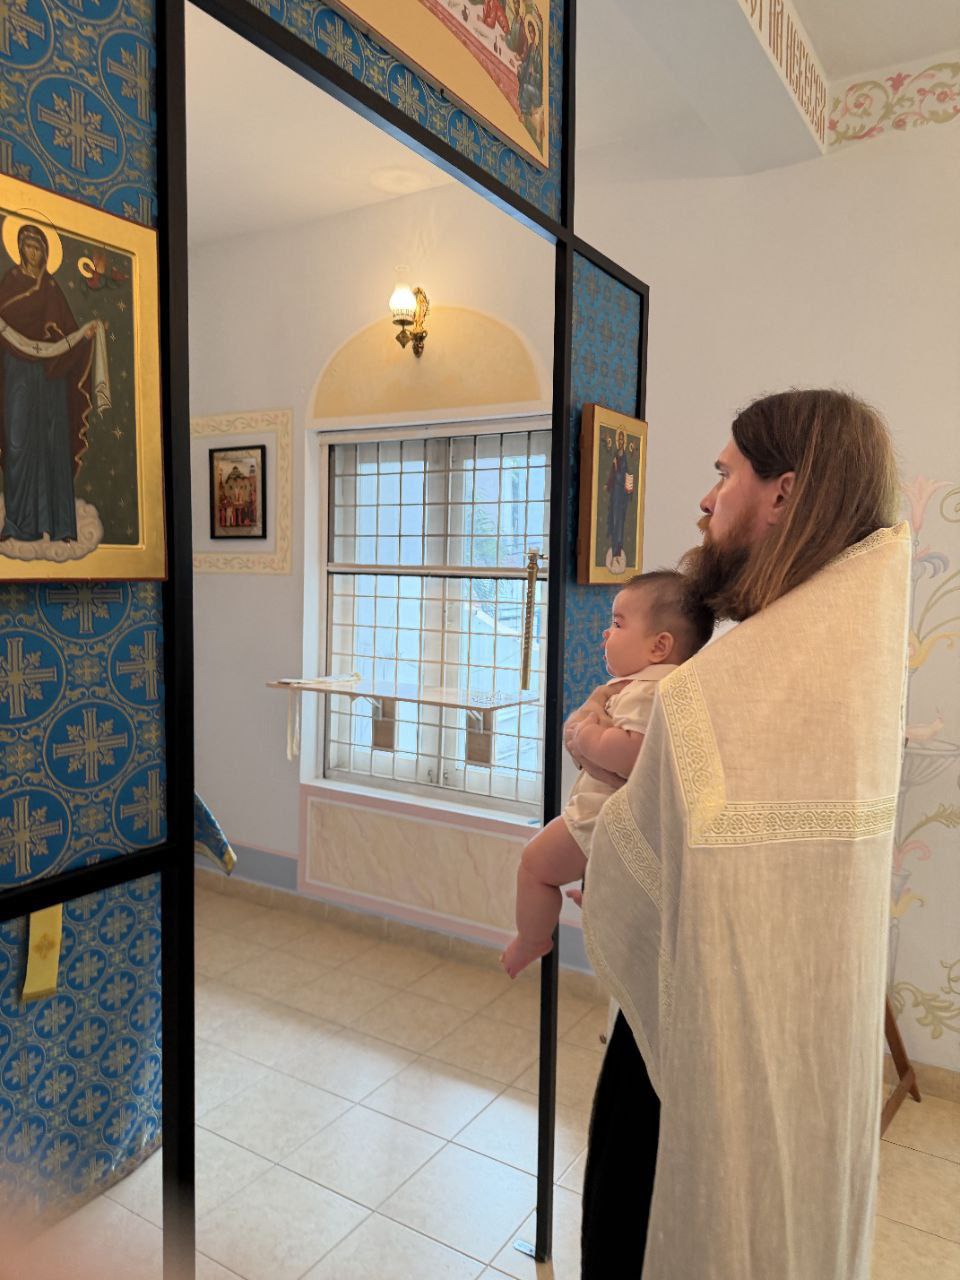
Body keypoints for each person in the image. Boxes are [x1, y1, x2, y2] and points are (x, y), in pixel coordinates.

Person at [579, 389, 911, 1280]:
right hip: (807, 1036)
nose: (706, 497)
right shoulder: (853, 662)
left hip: (696, 1038)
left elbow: (633, 857)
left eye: (724, 473)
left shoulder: (724, 687)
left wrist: (594, 860)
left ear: (783, 494)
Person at [500, 571, 713, 979]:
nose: (605, 633)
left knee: (534, 865)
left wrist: (588, 734)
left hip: (601, 817)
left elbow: (632, 754)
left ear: (659, 646)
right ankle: (600, 899)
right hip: (623, 819)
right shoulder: (660, 686)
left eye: (617, 623)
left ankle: (532, 938)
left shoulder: (649, 690)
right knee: (605, 880)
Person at [0, 223, 102, 543]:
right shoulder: (10, 282)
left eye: (38, 247)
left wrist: (84, 336)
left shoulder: (52, 287)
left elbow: (68, 335)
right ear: (19, 249)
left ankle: (58, 524)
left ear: (45, 252)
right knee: (17, 442)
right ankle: (19, 523)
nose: (33, 253)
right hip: (16, 371)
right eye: (28, 246)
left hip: (49, 373)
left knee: (52, 443)